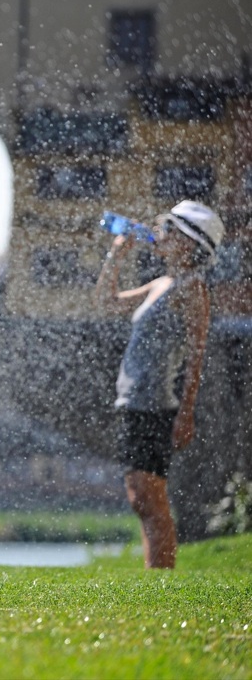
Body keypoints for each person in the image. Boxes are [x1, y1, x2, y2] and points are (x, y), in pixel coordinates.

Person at [94, 200, 224, 569]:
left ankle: (161, 580)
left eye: (168, 228)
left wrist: (186, 413)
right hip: (134, 402)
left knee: (149, 496)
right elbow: (106, 302)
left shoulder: (192, 288)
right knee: (141, 497)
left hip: (155, 403)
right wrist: (117, 254)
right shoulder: (163, 283)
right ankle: (156, 578)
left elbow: (197, 353)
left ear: (188, 242)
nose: (159, 234)